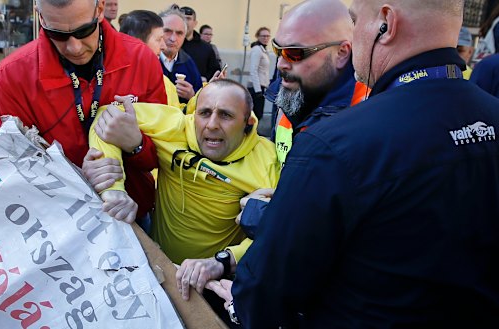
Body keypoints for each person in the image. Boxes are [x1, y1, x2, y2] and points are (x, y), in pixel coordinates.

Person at [207, 0, 499, 327]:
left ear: (385, 24)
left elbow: (265, 294)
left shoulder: (334, 143)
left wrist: (243, 299)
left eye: (356, 20)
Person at [177, 0, 364, 301]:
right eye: (278, 50)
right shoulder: (293, 91)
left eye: (294, 53)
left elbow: (346, 231)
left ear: (342, 52)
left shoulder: (365, 114)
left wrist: (269, 216)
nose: (280, 64)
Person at [0, 0, 167, 222]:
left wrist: (135, 145)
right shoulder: (10, 77)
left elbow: (164, 157)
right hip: (57, 224)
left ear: (100, 9)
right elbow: (9, 170)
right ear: (41, 17)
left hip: (133, 214)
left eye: (84, 31)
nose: (74, 47)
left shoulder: (141, 58)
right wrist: (78, 178)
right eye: (57, 34)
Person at [89, 79, 280, 264]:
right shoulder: (176, 127)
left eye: (225, 115)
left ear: (249, 122)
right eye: (204, 113)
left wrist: (223, 261)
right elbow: (108, 115)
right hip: (159, 268)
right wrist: (114, 189)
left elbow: (274, 233)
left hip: (215, 282)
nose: (212, 124)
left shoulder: (267, 161)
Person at [119, 10, 179, 107]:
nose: (164, 46)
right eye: (159, 39)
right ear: (136, 43)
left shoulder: (166, 84)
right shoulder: (105, 75)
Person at [159, 8, 203, 103]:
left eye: (179, 33)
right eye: (167, 31)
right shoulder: (147, 61)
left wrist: (192, 95)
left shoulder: (189, 63)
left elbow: (200, 99)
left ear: (184, 36)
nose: (173, 38)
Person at [179, 6, 220, 82]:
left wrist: (206, 78)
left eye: (188, 18)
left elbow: (215, 71)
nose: (185, 22)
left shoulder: (206, 48)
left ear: (195, 23)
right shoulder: (170, 45)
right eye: (182, 18)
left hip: (198, 91)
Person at [248, 27, 271, 120]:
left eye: (267, 36)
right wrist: (258, 90)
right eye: (263, 36)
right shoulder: (257, 50)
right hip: (255, 88)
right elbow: (253, 70)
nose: (266, 38)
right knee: (255, 115)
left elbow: (264, 71)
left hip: (261, 87)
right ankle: (251, 133)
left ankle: (254, 132)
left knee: (258, 114)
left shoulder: (263, 50)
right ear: (257, 37)